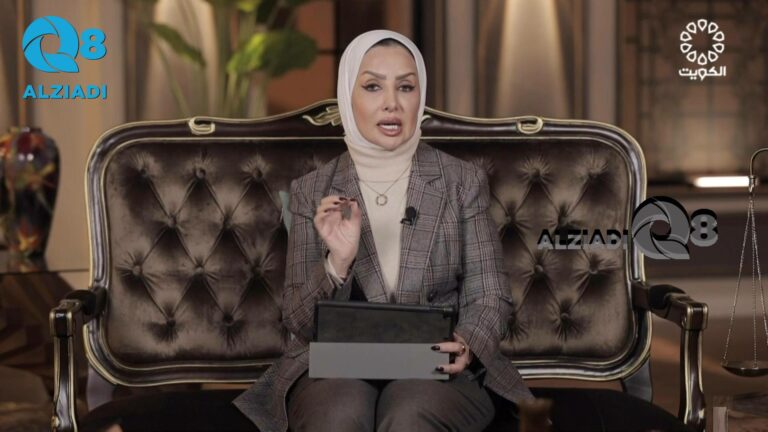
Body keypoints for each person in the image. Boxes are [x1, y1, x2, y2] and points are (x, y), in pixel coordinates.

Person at [233, 29, 534, 432]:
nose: (392, 103)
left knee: (410, 413)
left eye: (405, 87)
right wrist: (336, 264)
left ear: (419, 97)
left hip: (438, 364)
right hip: (337, 365)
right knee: (337, 414)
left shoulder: (461, 181)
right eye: (373, 86)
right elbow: (299, 322)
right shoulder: (313, 190)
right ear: (347, 97)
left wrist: (465, 343)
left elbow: (491, 295)